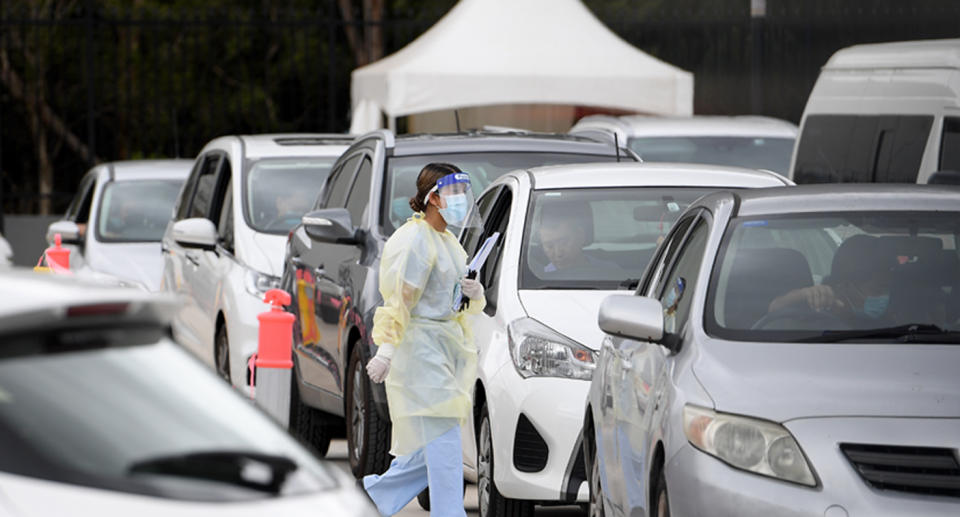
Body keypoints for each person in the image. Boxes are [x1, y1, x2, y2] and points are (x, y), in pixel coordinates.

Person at [362, 162, 485, 517]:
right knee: (445, 443)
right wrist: (385, 351)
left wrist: (474, 292)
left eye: (464, 192)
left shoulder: (447, 241)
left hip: (443, 350)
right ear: (432, 198)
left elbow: (454, 300)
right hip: (422, 353)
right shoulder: (415, 241)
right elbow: (399, 301)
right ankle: (450, 513)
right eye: (454, 192)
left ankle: (374, 497)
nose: (462, 199)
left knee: (436, 440)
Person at [767, 235, 896, 319]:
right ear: (844, 286)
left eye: (888, 290)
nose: (884, 296)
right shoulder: (819, 309)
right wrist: (801, 295)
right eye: (878, 290)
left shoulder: (901, 323)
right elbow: (774, 310)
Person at [537, 200, 616, 273]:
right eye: (549, 246)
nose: (558, 253)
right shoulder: (539, 280)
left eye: (563, 243)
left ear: (581, 236)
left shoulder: (611, 273)